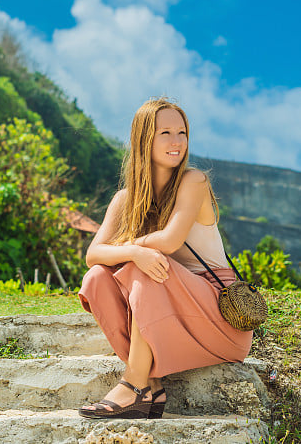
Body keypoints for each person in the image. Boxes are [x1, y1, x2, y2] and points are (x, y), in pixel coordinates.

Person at [77, 97, 253, 420]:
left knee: (150, 263)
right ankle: (151, 385)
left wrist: (134, 251)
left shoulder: (194, 181)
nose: (177, 142)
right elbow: (94, 255)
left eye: (182, 133)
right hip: (170, 305)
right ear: (144, 139)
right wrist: (132, 251)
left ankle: (133, 383)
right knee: (97, 279)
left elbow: (169, 241)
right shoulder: (124, 201)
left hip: (219, 315)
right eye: (165, 133)